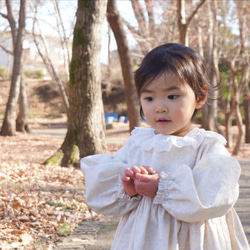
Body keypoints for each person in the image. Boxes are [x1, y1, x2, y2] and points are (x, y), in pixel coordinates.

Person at [81, 43, 249, 249]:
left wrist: (163, 187)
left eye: (172, 96)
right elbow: (107, 191)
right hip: (144, 237)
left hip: (195, 238)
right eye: (149, 98)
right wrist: (129, 189)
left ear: (200, 96)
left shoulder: (206, 146)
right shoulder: (138, 143)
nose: (159, 108)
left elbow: (215, 196)